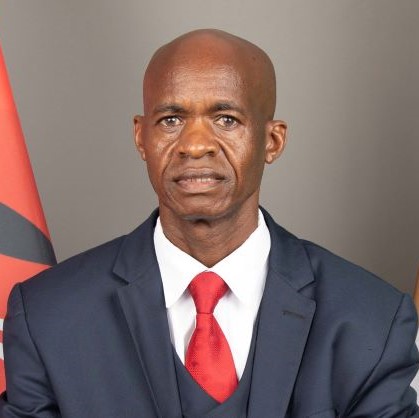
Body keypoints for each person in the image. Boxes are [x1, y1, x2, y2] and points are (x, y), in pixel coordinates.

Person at [1, 29, 418, 418]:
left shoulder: (373, 319)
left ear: (272, 141)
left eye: (226, 119)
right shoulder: (47, 317)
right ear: (141, 137)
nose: (195, 145)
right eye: (171, 120)